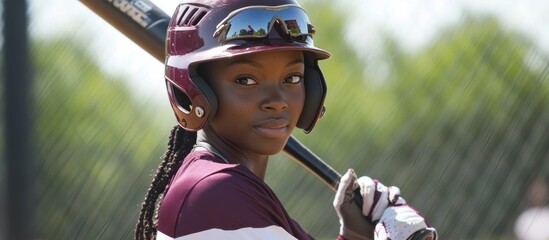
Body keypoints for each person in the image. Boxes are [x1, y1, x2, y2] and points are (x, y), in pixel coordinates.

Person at [134, 0, 437, 239]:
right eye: (246, 80)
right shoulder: (216, 195)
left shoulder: (229, 190)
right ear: (195, 92)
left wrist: (357, 236)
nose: (277, 100)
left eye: (292, 77)